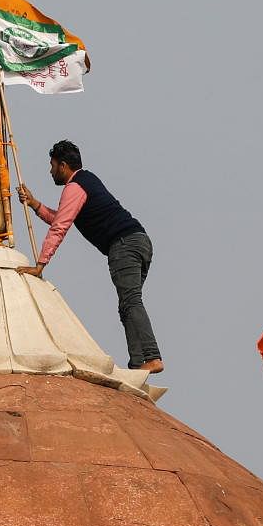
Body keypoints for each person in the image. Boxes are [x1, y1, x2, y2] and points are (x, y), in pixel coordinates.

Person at [16, 140, 163, 373]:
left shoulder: (75, 188)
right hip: (137, 241)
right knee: (127, 303)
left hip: (123, 244)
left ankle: (151, 357)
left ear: (63, 165)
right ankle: (138, 364)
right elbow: (60, 218)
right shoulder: (86, 181)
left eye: (52, 165)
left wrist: (40, 265)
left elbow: (60, 227)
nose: (50, 171)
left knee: (131, 300)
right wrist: (34, 204)